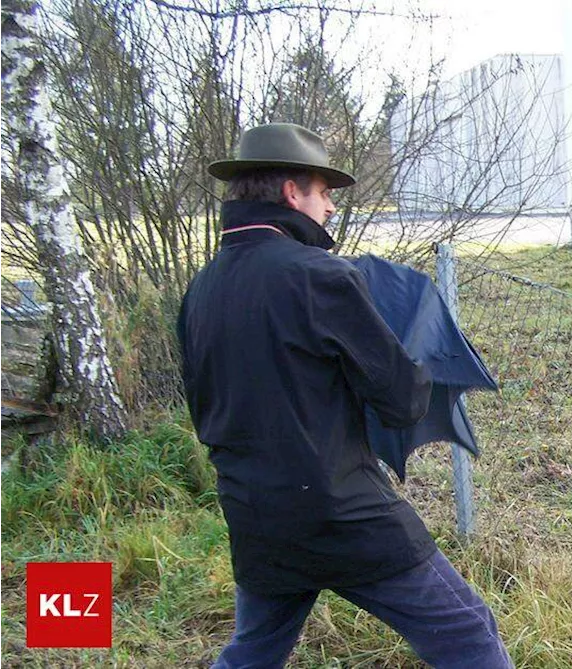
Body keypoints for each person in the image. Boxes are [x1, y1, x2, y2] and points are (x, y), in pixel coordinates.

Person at [178, 123, 513, 668]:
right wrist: (417, 352)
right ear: (292, 193)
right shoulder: (320, 276)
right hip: (344, 513)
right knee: (468, 634)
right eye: (324, 191)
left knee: (254, 651)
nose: (331, 207)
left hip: (254, 513)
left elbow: (205, 409)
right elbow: (401, 400)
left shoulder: (203, 288)